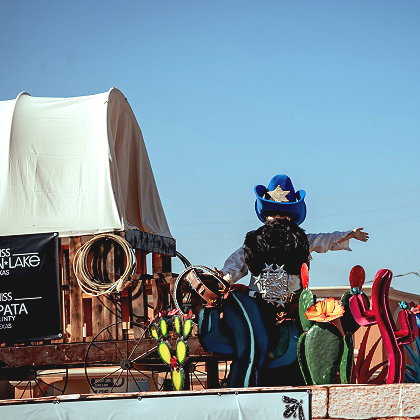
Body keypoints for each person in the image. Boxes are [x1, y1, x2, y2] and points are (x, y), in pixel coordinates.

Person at [216, 174, 369, 386]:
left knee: (301, 349)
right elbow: (234, 265)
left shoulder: (301, 240)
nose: (279, 219)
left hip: (293, 310)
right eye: (274, 214)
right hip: (257, 309)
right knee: (253, 347)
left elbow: (324, 240)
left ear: (290, 217)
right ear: (267, 215)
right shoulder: (252, 243)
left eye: (283, 215)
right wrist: (224, 277)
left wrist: (349, 234)